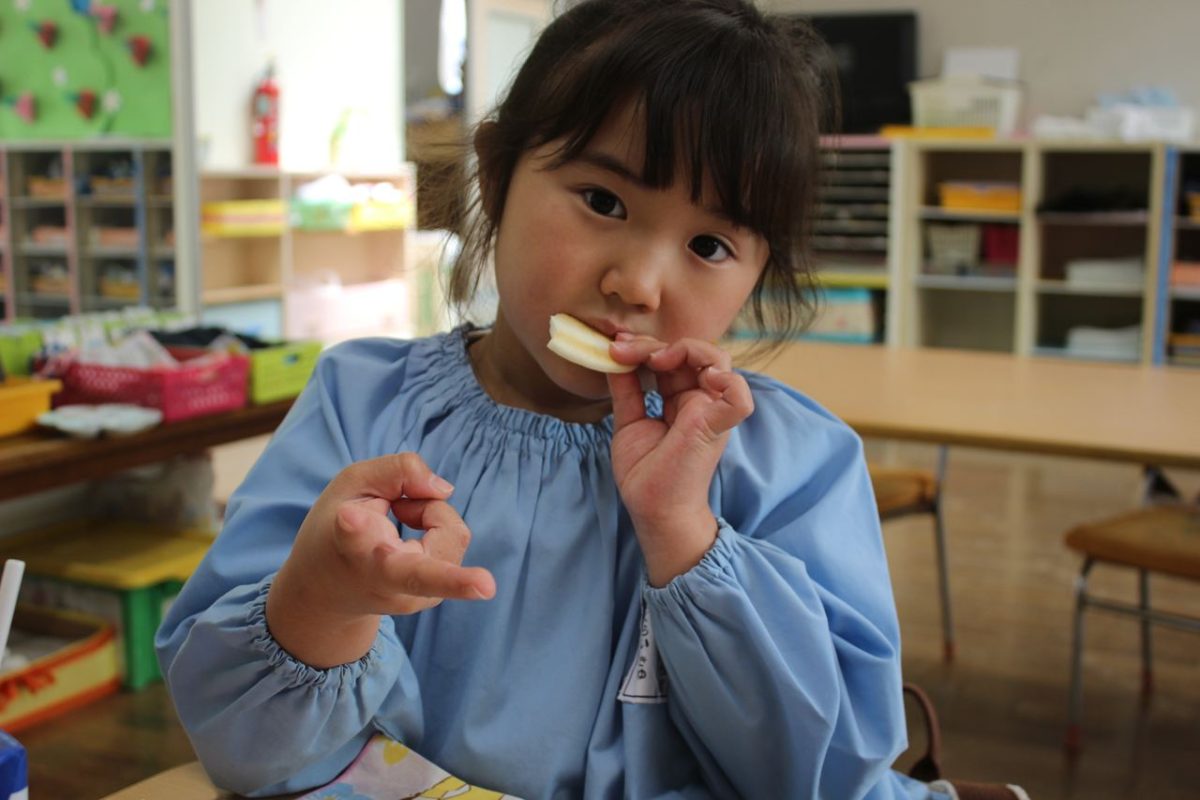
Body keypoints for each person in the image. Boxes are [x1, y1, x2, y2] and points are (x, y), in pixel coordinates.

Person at [157, 1, 951, 797]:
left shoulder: (791, 464)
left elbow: (825, 778)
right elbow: (240, 748)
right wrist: (325, 598)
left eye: (709, 245)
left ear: (757, 274)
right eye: (603, 201)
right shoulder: (361, 406)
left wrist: (685, 532)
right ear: (497, 172)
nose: (637, 284)